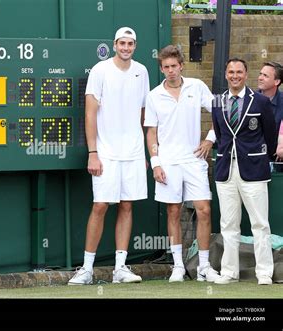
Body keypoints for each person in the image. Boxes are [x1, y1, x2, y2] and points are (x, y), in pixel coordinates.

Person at [68, 27, 149, 285]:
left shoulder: (142, 71)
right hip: (105, 152)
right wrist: (93, 153)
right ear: (115, 45)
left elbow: (143, 112)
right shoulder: (100, 70)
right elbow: (90, 114)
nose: (126, 47)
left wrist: (144, 150)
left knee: (127, 205)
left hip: (134, 152)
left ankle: (120, 269)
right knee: (101, 205)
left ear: (135, 46)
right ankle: (87, 269)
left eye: (131, 44)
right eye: (122, 43)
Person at [144, 45, 219, 283]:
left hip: (194, 159)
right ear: (162, 69)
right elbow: (151, 132)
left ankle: (204, 267)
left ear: (181, 66)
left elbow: (220, 113)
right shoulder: (154, 95)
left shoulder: (196, 86)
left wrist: (209, 139)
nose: (170, 71)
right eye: (166, 67)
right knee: (173, 211)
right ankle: (177, 266)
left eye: (174, 66)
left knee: (204, 209)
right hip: (168, 162)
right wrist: (156, 163)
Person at [212, 58, 276, 285]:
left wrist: (259, 157)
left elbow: (269, 134)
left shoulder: (260, 101)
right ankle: (229, 272)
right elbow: (221, 136)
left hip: (254, 170)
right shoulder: (218, 101)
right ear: (226, 74)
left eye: (239, 72)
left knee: (260, 223)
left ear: (246, 74)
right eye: (231, 72)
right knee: (228, 224)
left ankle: (264, 273)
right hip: (226, 170)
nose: (235, 76)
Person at [257, 61, 283, 171]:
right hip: (253, 160)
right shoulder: (250, 100)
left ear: (277, 81)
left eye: (265, 75)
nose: (260, 78)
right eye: (260, 74)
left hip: (278, 162)